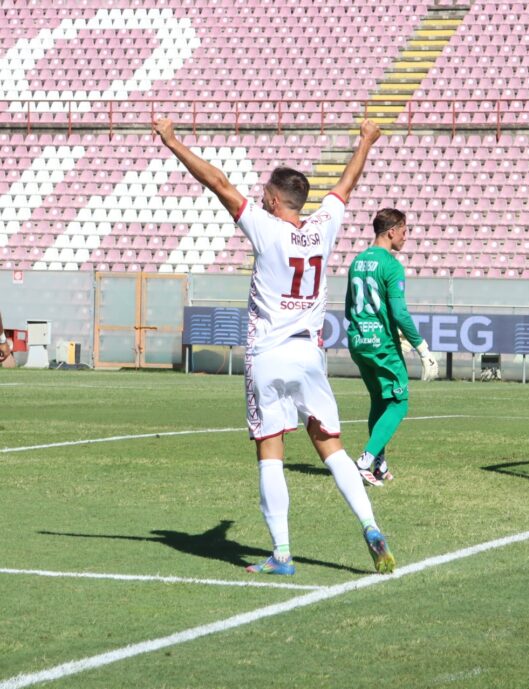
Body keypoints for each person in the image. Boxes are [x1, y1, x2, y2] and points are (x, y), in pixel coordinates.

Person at [155, 116, 397, 575]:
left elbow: (218, 183)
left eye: (264, 192)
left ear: (271, 199)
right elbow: (346, 185)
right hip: (309, 354)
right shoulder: (323, 225)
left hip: (268, 353)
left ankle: (282, 554)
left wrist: (172, 141)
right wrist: (366, 140)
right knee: (331, 445)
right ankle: (370, 525)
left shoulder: (265, 228)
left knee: (270, 449)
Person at [345, 208, 438, 487]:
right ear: (391, 232)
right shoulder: (392, 266)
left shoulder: (357, 261)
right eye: (404, 231)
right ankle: (363, 462)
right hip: (382, 346)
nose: (406, 237)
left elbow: (350, 310)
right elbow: (399, 312)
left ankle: (380, 464)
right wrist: (422, 348)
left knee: (379, 400)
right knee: (399, 402)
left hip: (358, 341)